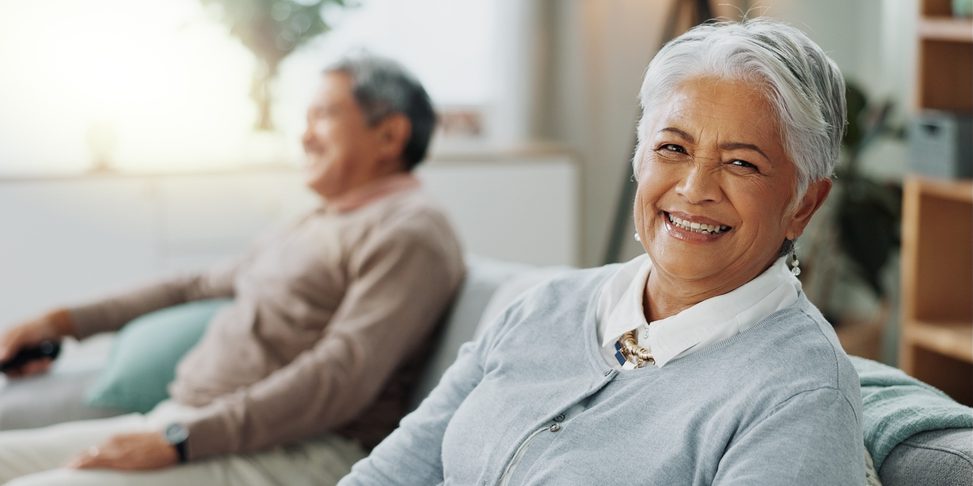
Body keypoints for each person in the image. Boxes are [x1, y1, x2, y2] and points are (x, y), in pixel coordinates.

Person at [340, 18, 865, 485]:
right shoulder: (542, 306)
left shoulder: (801, 396)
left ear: (804, 204)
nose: (694, 187)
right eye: (673, 148)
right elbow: (393, 471)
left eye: (742, 163)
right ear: (640, 158)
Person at [0, 54, 464, 485]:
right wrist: (59, 322)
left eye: (323, 115)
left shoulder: (411, 232)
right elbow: (192, 286)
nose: (304, 138)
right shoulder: (317, 220)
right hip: (190, 425)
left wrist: (183, 440)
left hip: (292, 451)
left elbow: (340, 376)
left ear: (390, 135)